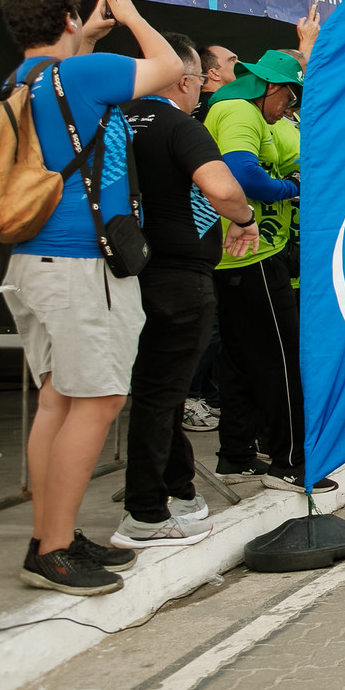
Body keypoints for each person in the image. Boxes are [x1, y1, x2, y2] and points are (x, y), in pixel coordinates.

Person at [0, 0, 181, 593]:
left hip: (34, 263)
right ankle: (53, 549)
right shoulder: (81, 75)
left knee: (57, 400)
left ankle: (50, 537)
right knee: (99, 400)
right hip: (81, 265)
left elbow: (66, 100)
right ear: (70, 18)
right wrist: (127, 15)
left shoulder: (20, 82)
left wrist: (87, 35)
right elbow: (169, 65)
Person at [114, 33, 259, 550]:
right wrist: (244, 218)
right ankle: (145, 513)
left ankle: (180, 492)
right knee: (160, 395)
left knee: (159, 390)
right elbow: (221, 188)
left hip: (124, 272)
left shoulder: (115, 121)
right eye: (199, 80)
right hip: (177, 275)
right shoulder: (179, 125)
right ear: (182, 81)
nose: (200, 90)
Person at [204, 47, 319, 493]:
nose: (289, 108)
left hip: (242, 256)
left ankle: (236, 453)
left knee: (239, 361)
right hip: (249, 257)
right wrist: (290, 188)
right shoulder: (238, 111)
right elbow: (242, 176)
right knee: (282, 360)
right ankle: (290, 464)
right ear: (270, 87)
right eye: (289, 98)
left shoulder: (251, 114)